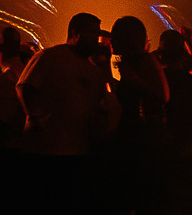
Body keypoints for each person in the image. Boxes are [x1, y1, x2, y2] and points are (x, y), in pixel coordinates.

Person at [17, 11, 117, 155]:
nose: (96, 39)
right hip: (46, 147)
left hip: (76, 148)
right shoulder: (49, 56)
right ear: (75, 33)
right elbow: (24, 86)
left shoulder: (93, 70)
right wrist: (33, 118)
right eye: (92, 33)